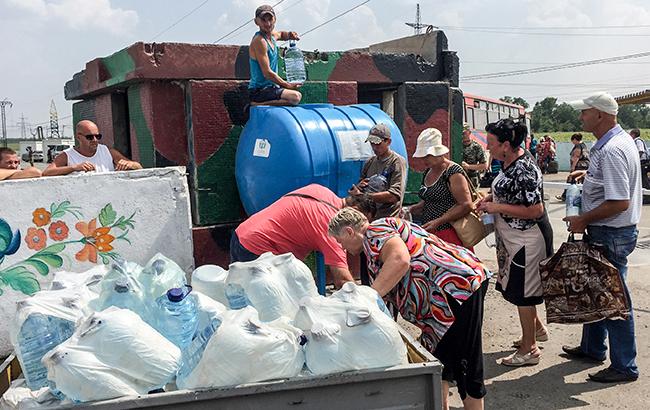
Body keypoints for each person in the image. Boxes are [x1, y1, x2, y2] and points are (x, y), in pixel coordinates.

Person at [329, 208, 491, 410]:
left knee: (464, 359)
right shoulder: (369, 251)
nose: (341, 247)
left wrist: (366, 300)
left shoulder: (375, 231)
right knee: (437, 357)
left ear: (349, 232)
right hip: (439, 304)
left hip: (457, 289)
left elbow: (400, 260)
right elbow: (386, 300)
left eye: (339, 241)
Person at [562, 91, 642, 383]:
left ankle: (624, 366)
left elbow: (619, 201)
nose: (581, 116)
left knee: (613, 300)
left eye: (585, 112)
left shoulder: (612, 150)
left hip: (611, 232)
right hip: (611, 231)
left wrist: (583, 219)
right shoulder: (615, 144)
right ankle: (592, 348)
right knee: (597, 292)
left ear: (600, 114)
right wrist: (590, 177)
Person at [477, 118, 553, 367]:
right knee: (516, 288)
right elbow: (509, 189)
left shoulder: (525, 168)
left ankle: (530, 349)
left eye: (491, 143)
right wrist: (490, 197)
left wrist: (496, 206)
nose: (488, 148)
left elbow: (535, 209)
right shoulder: (508, 162)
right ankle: (535, 331)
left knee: (523, 293)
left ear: (506, 145)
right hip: (513, 239)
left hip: (527, 239)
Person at [230, 183, 376, 288]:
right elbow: (343, 281)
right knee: (265, 308)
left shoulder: (320, 190)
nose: (363, 231)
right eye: (362, 225)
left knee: (241, 299)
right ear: (355, 210)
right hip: (259, 252)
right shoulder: (332, 227)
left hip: (242, 234)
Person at [406, 128, 474, 248]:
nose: (424, 160)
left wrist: (439, 221)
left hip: (450, 233)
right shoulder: (428, 171)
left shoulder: (452, 172)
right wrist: (412, 208)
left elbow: (466, 204)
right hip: (430, 232)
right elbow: (429, 199)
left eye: (427, 156)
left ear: (438, 153)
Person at [348, 123, 407, 219]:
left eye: (378, 143)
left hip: (388, 220)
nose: (374, 147)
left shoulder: (396, 162)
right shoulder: (370, 162)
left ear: (388, 141)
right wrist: (358, 188)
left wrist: (364, 196)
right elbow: (361, 186)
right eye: (372, 143)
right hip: (370, 218)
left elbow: (394, 196)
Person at [43, 120, 142, 176]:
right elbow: (46, 173)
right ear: (78, 137)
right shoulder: (67, 155)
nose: (95, 140)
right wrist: (74, 168)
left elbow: (139, 167)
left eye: (97, 136)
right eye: (89, 137)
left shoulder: (108, 152)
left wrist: (130, 164)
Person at [248, 4, 302, 106]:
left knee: (294, 96)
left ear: (275, 19)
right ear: (256, 22)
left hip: (271, 88)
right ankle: (256, 104)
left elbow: (281, 34)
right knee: (295, 97)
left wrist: (290, 34)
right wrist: (286, 85)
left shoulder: (272, 36)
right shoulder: (260, 41)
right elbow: (267, 73)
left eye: (270, 19)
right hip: (259, 90)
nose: (268, 24)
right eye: (263, 20)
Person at [557, 133, 590, 201]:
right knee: (582, 181)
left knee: (571, 179)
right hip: (585, 166)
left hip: (579, 166)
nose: (572, 142)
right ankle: (583, 196)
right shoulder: (584, 146)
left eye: (572, 140)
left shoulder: (578, 146)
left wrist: (573, 167)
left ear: (575, 139)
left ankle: (565, 196)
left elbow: (576, 157)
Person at [460, 124, 487, 188]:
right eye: (461, 133)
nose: (462, 135)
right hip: (458, 179)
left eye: (464, 133)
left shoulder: (476, 147)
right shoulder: (457, 146)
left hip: (472, 181)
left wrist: (469, 166)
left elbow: (484, 166)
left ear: (469, 132)